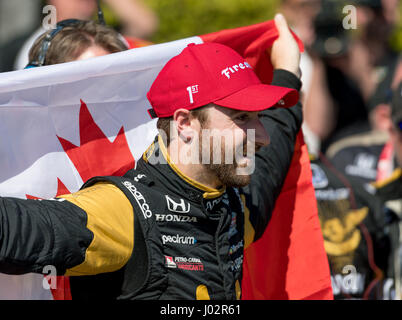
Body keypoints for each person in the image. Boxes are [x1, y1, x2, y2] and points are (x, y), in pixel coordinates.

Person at [0, 14, 303, 300]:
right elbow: (20, 229)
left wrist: (289, 71)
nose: (260, 137)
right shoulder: (125, 210)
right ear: (184, 123)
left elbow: (274, 150)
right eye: (241, 118)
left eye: (257, 117)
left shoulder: (235, 205)